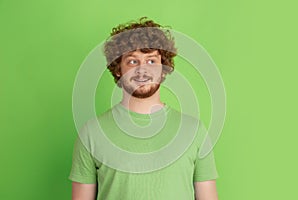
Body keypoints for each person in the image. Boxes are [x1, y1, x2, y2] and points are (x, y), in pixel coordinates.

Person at [69, 17, 219, 200]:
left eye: (151, 61)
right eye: (132, 61)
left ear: (163, 67)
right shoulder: (91, 133)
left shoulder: (194, 130)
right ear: (118, 69)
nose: (142, 71)